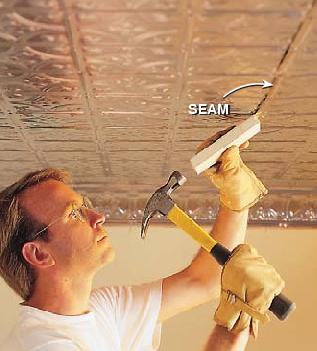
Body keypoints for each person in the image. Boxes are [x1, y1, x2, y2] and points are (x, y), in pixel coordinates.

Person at [0, 135, 284, 350]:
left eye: (84, 205)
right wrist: (231, 330)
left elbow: (204, 280)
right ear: (38, 253)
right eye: (74, 213)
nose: (97, 217)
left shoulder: (104, 310)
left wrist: (236, 201)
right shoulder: (46, 346)